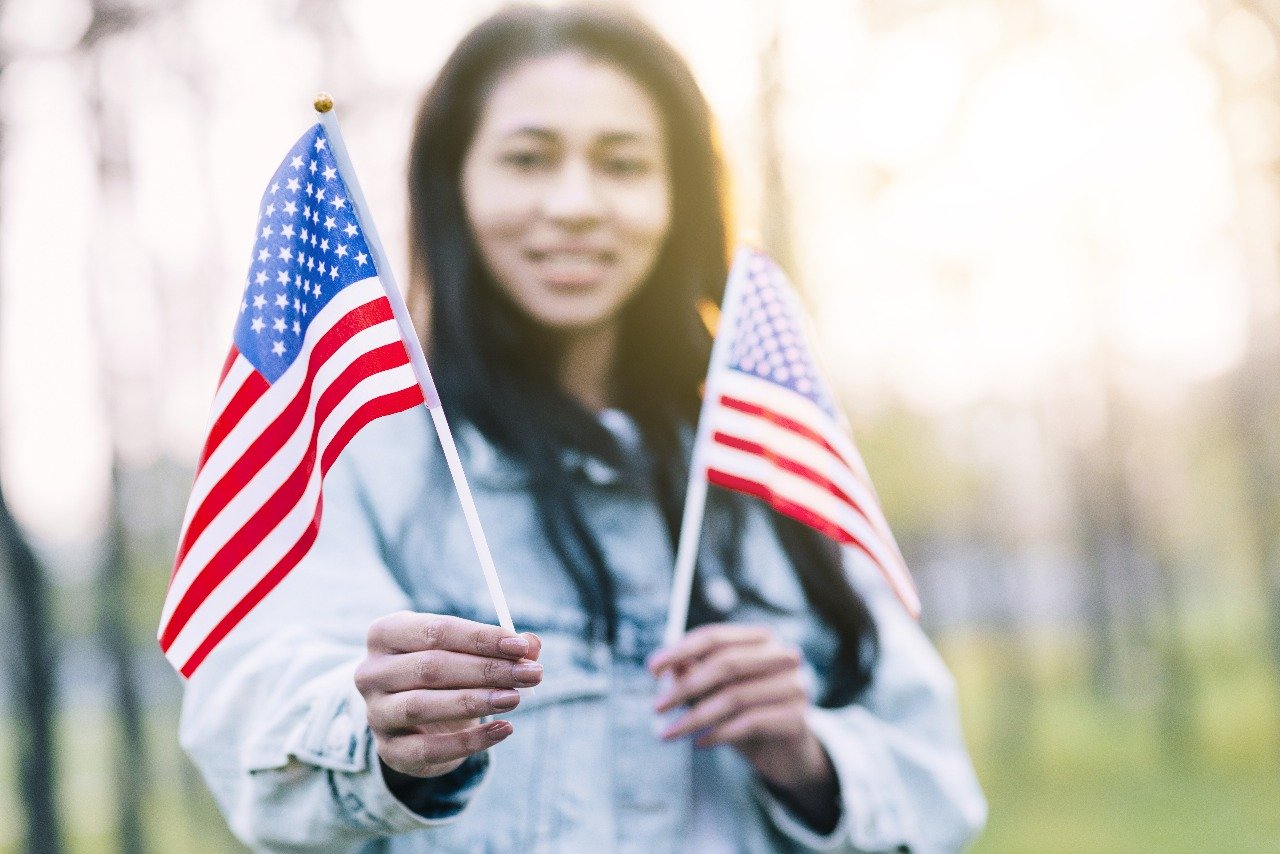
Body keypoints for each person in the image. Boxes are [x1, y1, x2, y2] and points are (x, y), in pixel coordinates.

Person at [179, 5, 987, 851]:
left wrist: (807, 757)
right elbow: (251, 720)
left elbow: (939, 793)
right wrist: (377, 732)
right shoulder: (360, 447)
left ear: (679, 196)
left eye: (623, 163)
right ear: (455, 182)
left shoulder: (766, 449)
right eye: (528, 159)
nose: (573, 204)